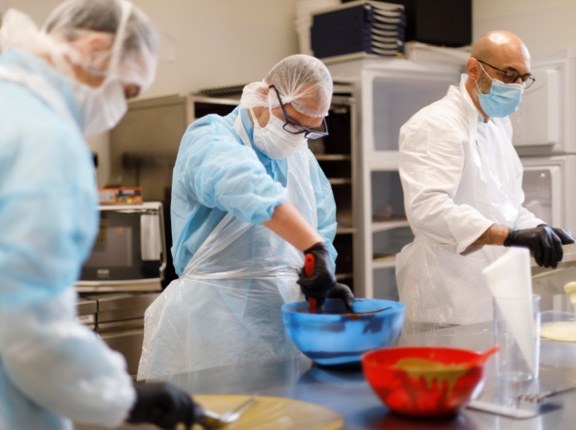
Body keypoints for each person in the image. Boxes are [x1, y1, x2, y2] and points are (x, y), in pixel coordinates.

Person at [0, 1, 198, 429]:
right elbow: (32, 330)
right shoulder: (45, 142)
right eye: (127, 91)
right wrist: (120, 394)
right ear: (95, 50)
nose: (120, 108)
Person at [137, 54, 354, 379]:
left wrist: (322, 277)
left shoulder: (301, 158)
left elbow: (322, 227)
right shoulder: (210, 137)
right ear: (267, 94)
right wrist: (312, 247)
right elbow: (244, 185)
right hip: (212, 326)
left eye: (309, 131)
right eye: (293, 124)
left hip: (284, 325)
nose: (297, 137)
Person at [396, 30, 575, 332]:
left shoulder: (497, 127)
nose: (517, 85)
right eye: (509, 74)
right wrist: (510, 236)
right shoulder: (435, 124)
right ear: (474, 69)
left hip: (495, 288)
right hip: (446, 297)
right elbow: (427, 208)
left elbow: (508, 204)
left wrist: (537, 228)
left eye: (523, 77)